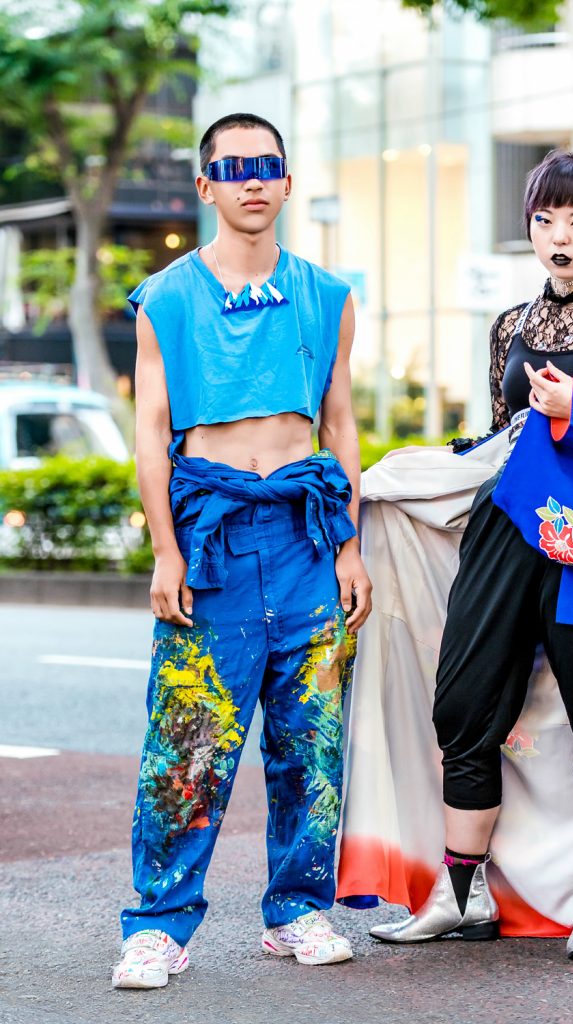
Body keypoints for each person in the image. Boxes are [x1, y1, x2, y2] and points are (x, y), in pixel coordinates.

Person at [340, 150, 573, 959]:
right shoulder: (509, 325)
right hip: (505, 538)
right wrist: (419, 474)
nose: (560, 235)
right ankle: (461, 892)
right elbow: (500, 439)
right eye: (545, 220)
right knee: (464, 705)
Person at [112, 112, 372, 989]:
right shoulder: (168, 298)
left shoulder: (326, 295)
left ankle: (299, 910)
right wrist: (164, 551)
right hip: (213, 535)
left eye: (268, 166)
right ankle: (157, 923)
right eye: (234, 168)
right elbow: (152, 434)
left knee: (312, 738)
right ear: (206, 187)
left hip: (306, 534)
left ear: (288, 182)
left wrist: (350, 546)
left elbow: (339, 425)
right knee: (189, 735)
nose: (253, 181)